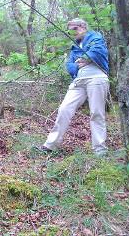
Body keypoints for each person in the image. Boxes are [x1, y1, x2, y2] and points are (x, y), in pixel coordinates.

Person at [38, 18, 109, 157]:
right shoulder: (75, 46)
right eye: (71, 31)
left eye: (75, 29)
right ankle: (51, 145)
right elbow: (70, 66)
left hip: (97, 77)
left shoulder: (95, 37)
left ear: (83, 26)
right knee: (64, 108)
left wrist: (86, 58)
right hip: (78, 80)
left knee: (96, 113)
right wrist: (81, 62)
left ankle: (100, 149)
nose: (73, 33)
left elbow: (97, 51)